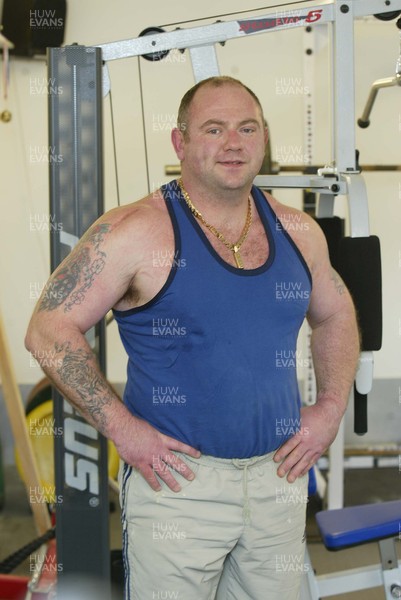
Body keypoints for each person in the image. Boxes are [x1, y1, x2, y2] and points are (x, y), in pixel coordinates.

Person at [26, 75, 360, 599]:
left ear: (264, 139)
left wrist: (332, 407)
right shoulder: (135, 230)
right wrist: (124, 430)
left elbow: (336, 315)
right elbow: (48, 330)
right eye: (214, 129)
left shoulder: (298, 231)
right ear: (180, 142)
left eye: (247, 128)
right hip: (178, 487)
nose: (234, 143)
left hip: (279, 478)